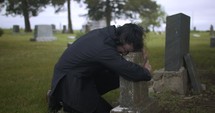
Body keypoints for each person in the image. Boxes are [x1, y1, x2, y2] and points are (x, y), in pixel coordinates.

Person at [48, 23, 152, 113]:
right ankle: (64, 101)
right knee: (105, 110)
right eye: (126, 50)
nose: (125, 53)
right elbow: (125, 68)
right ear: (124, 39)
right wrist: (146, 72)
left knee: (116, 76)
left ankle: (78, 99)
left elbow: (122, 65)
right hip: (69, 84)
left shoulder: (108, 35)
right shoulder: (102, 47)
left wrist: (140, 47)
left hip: (82, 77)